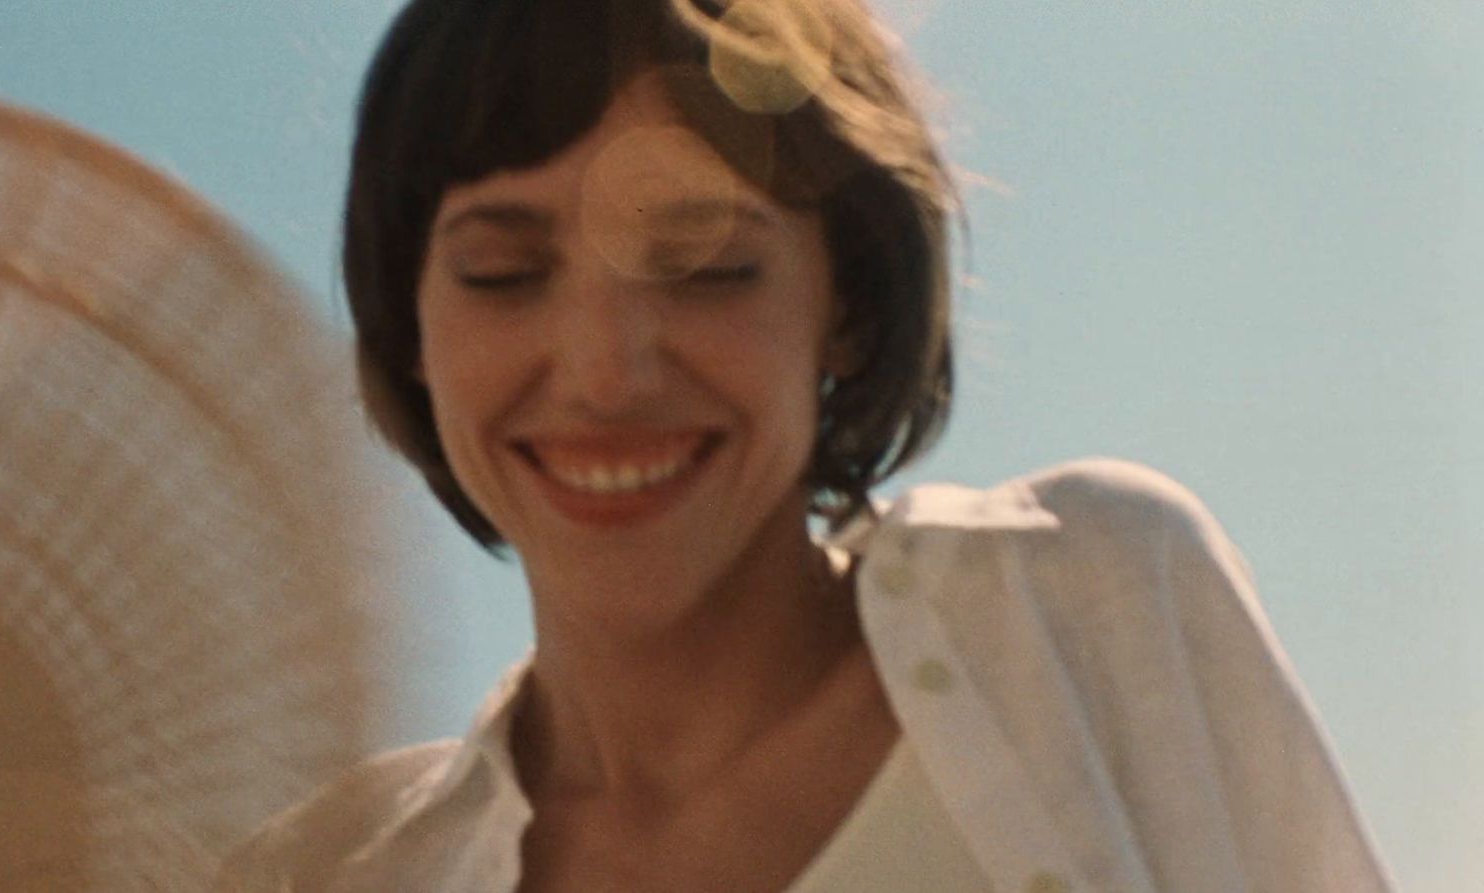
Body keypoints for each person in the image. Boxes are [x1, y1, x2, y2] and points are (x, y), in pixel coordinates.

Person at [213, 0, 1398, 890]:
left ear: (846, 301)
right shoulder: (329, 871)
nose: (605, 369)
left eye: (709, 262)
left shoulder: (1085, 605)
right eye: (503, 273)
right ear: (410, 325)